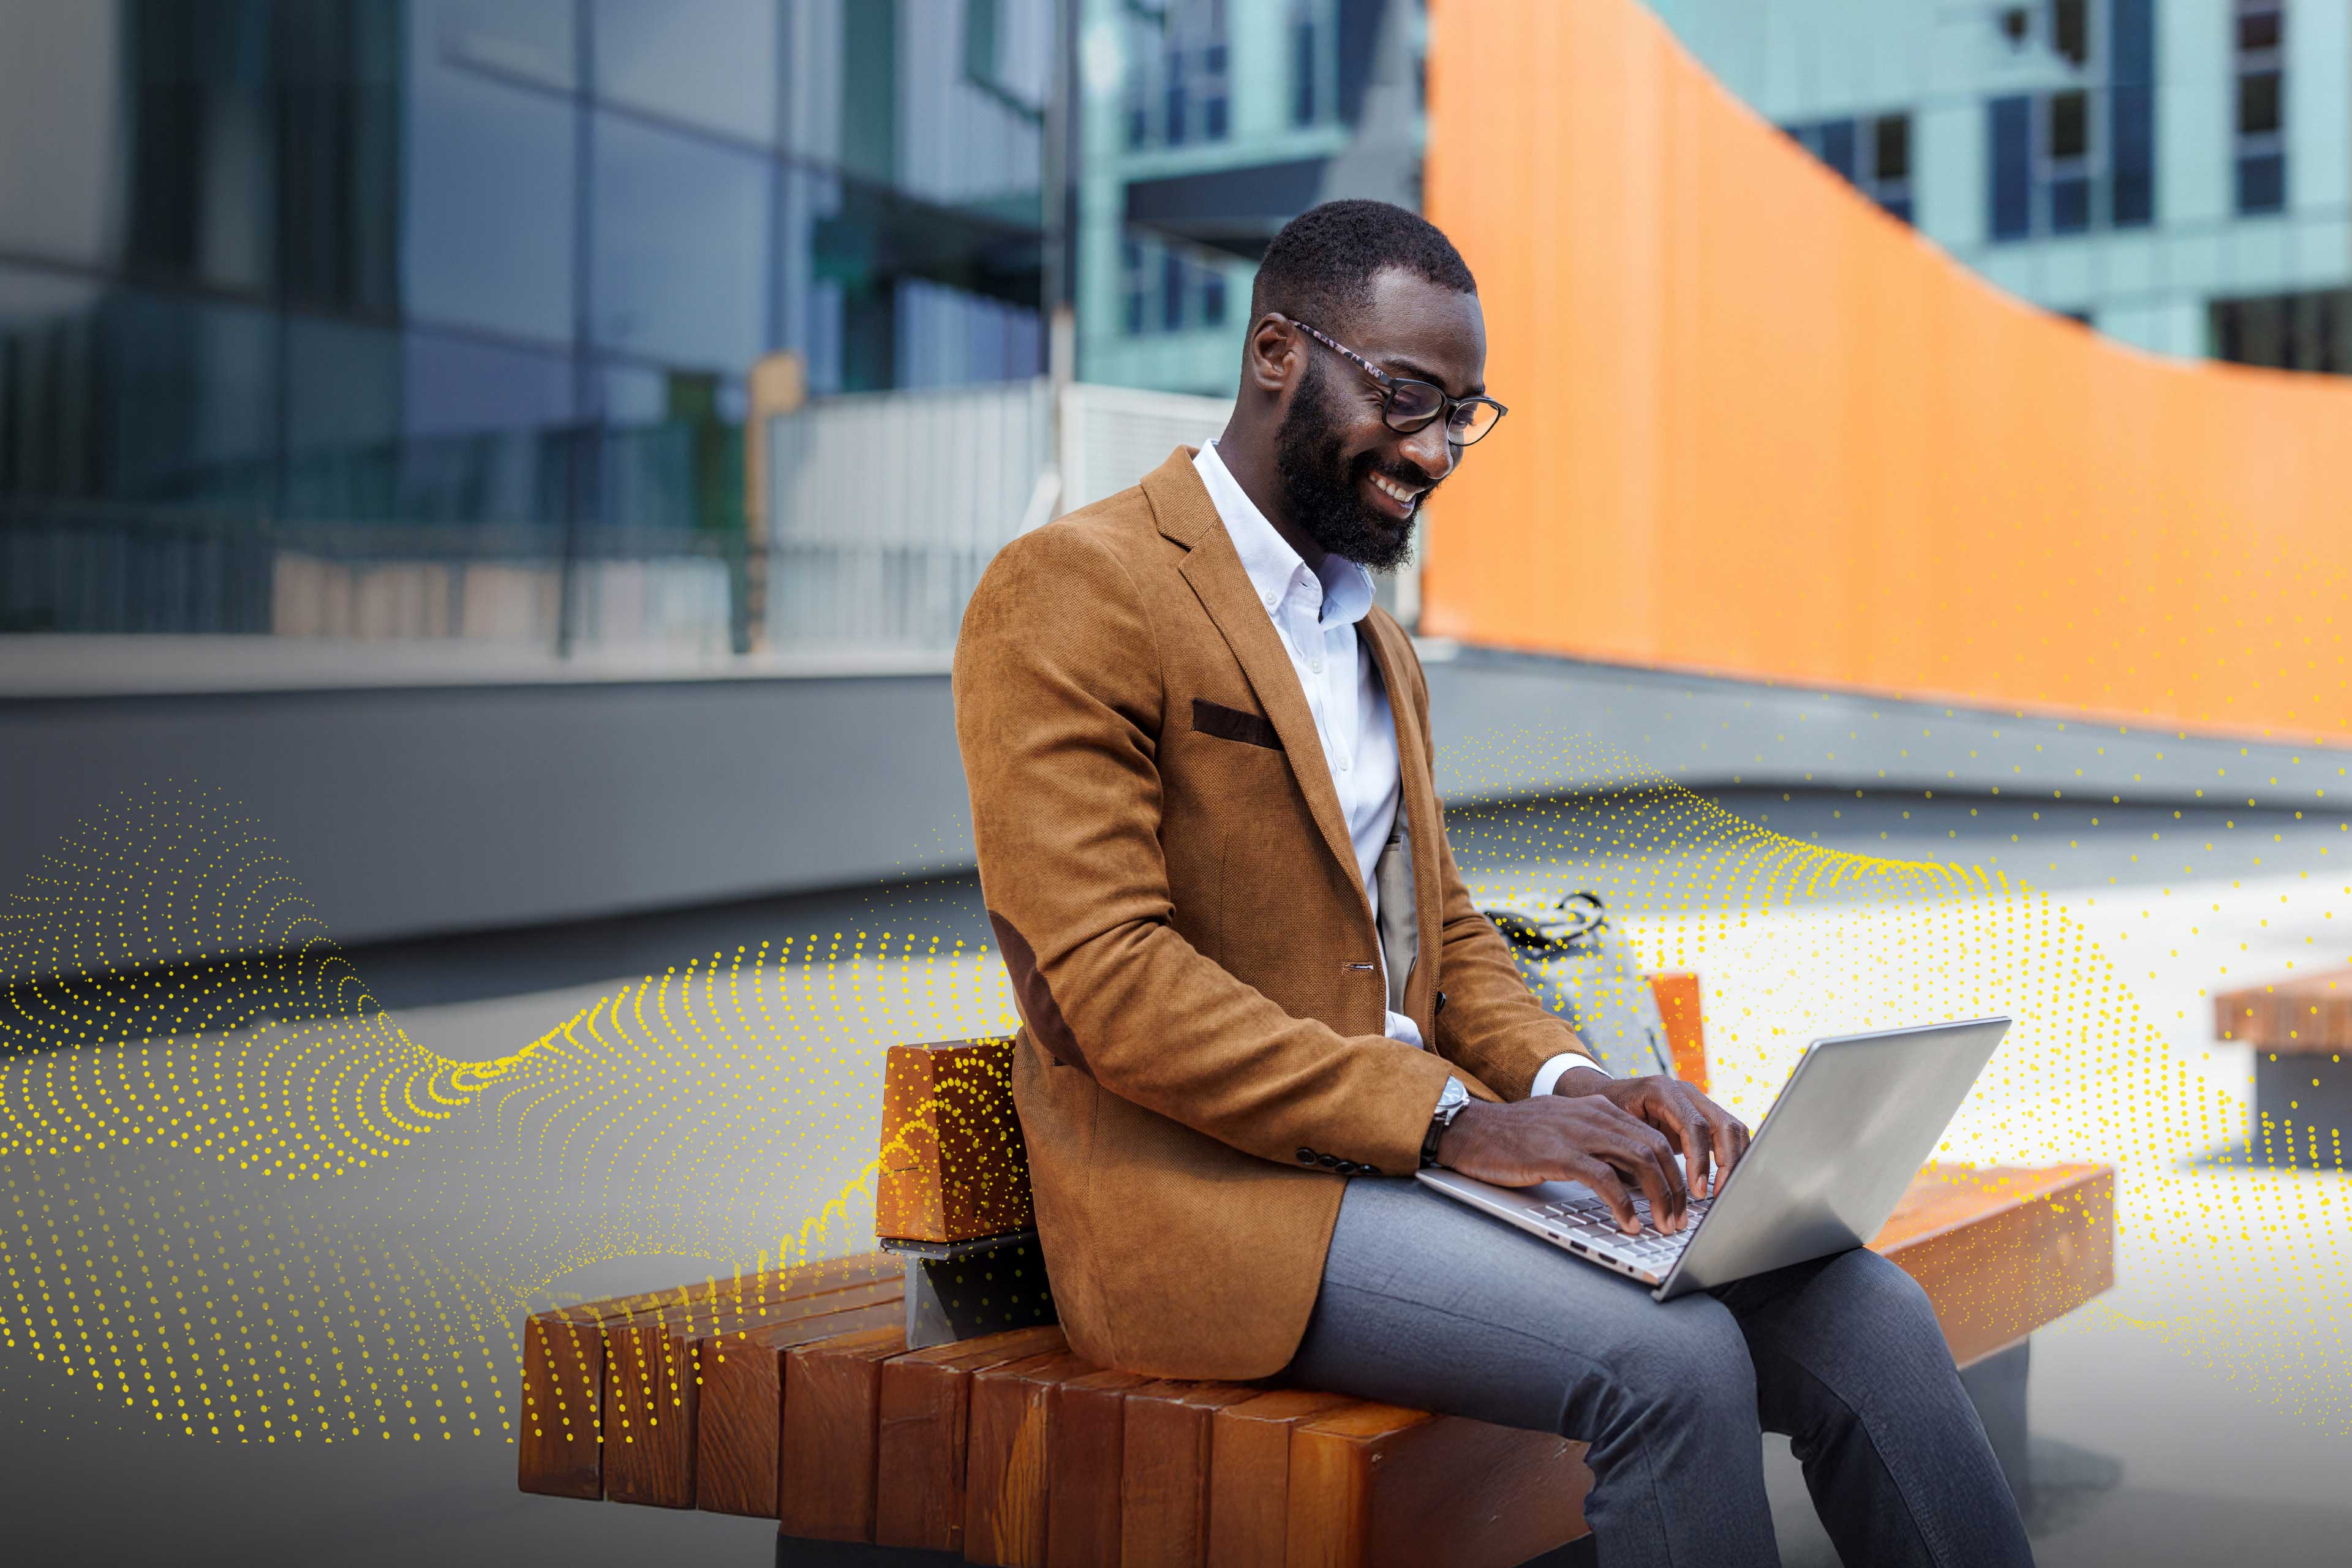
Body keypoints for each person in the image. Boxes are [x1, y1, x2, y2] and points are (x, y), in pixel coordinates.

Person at [951, 200, 2031, 1567]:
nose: (1437, 450)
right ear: (1277, 350)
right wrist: (1455, 1120)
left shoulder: (1373, 640)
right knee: (1675, 1359)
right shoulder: (1075, 586)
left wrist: (1574, 1089)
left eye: (1465, 412)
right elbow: (1106, 979)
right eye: (1409, 397)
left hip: (1414, 1171)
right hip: (1222, 1209)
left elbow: (1442, 933)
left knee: (1860, 1307)